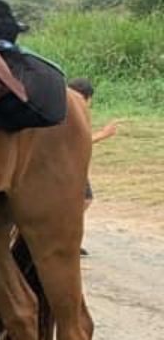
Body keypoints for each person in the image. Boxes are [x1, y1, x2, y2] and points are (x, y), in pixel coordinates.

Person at [68, 78, 119, 256]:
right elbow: (77, 142)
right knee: (82, 201)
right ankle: (67, 240)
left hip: (70, 165)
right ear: (88, 98)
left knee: (82, 201)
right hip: (68, 166)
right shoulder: (74, 111)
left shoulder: (64, 108)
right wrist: (104, 134)